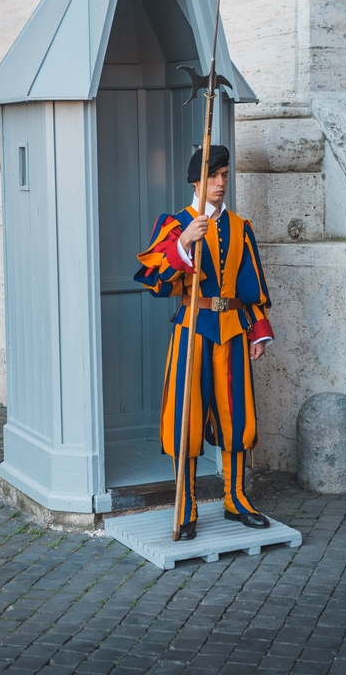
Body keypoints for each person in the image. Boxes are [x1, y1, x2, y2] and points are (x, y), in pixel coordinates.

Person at [134, 145, 274, 539]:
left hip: (232, 329)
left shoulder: (240, 226)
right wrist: (182, 246)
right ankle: (186, 504)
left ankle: (236, 498)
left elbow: (252, 286)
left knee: (236, 415)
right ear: (196, 180)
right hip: (192, 328)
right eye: (213, 176)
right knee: (187, 416)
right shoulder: (176, 224)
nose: (220, 183)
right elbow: (155, 281)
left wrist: (258, 329)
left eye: (225, 175)